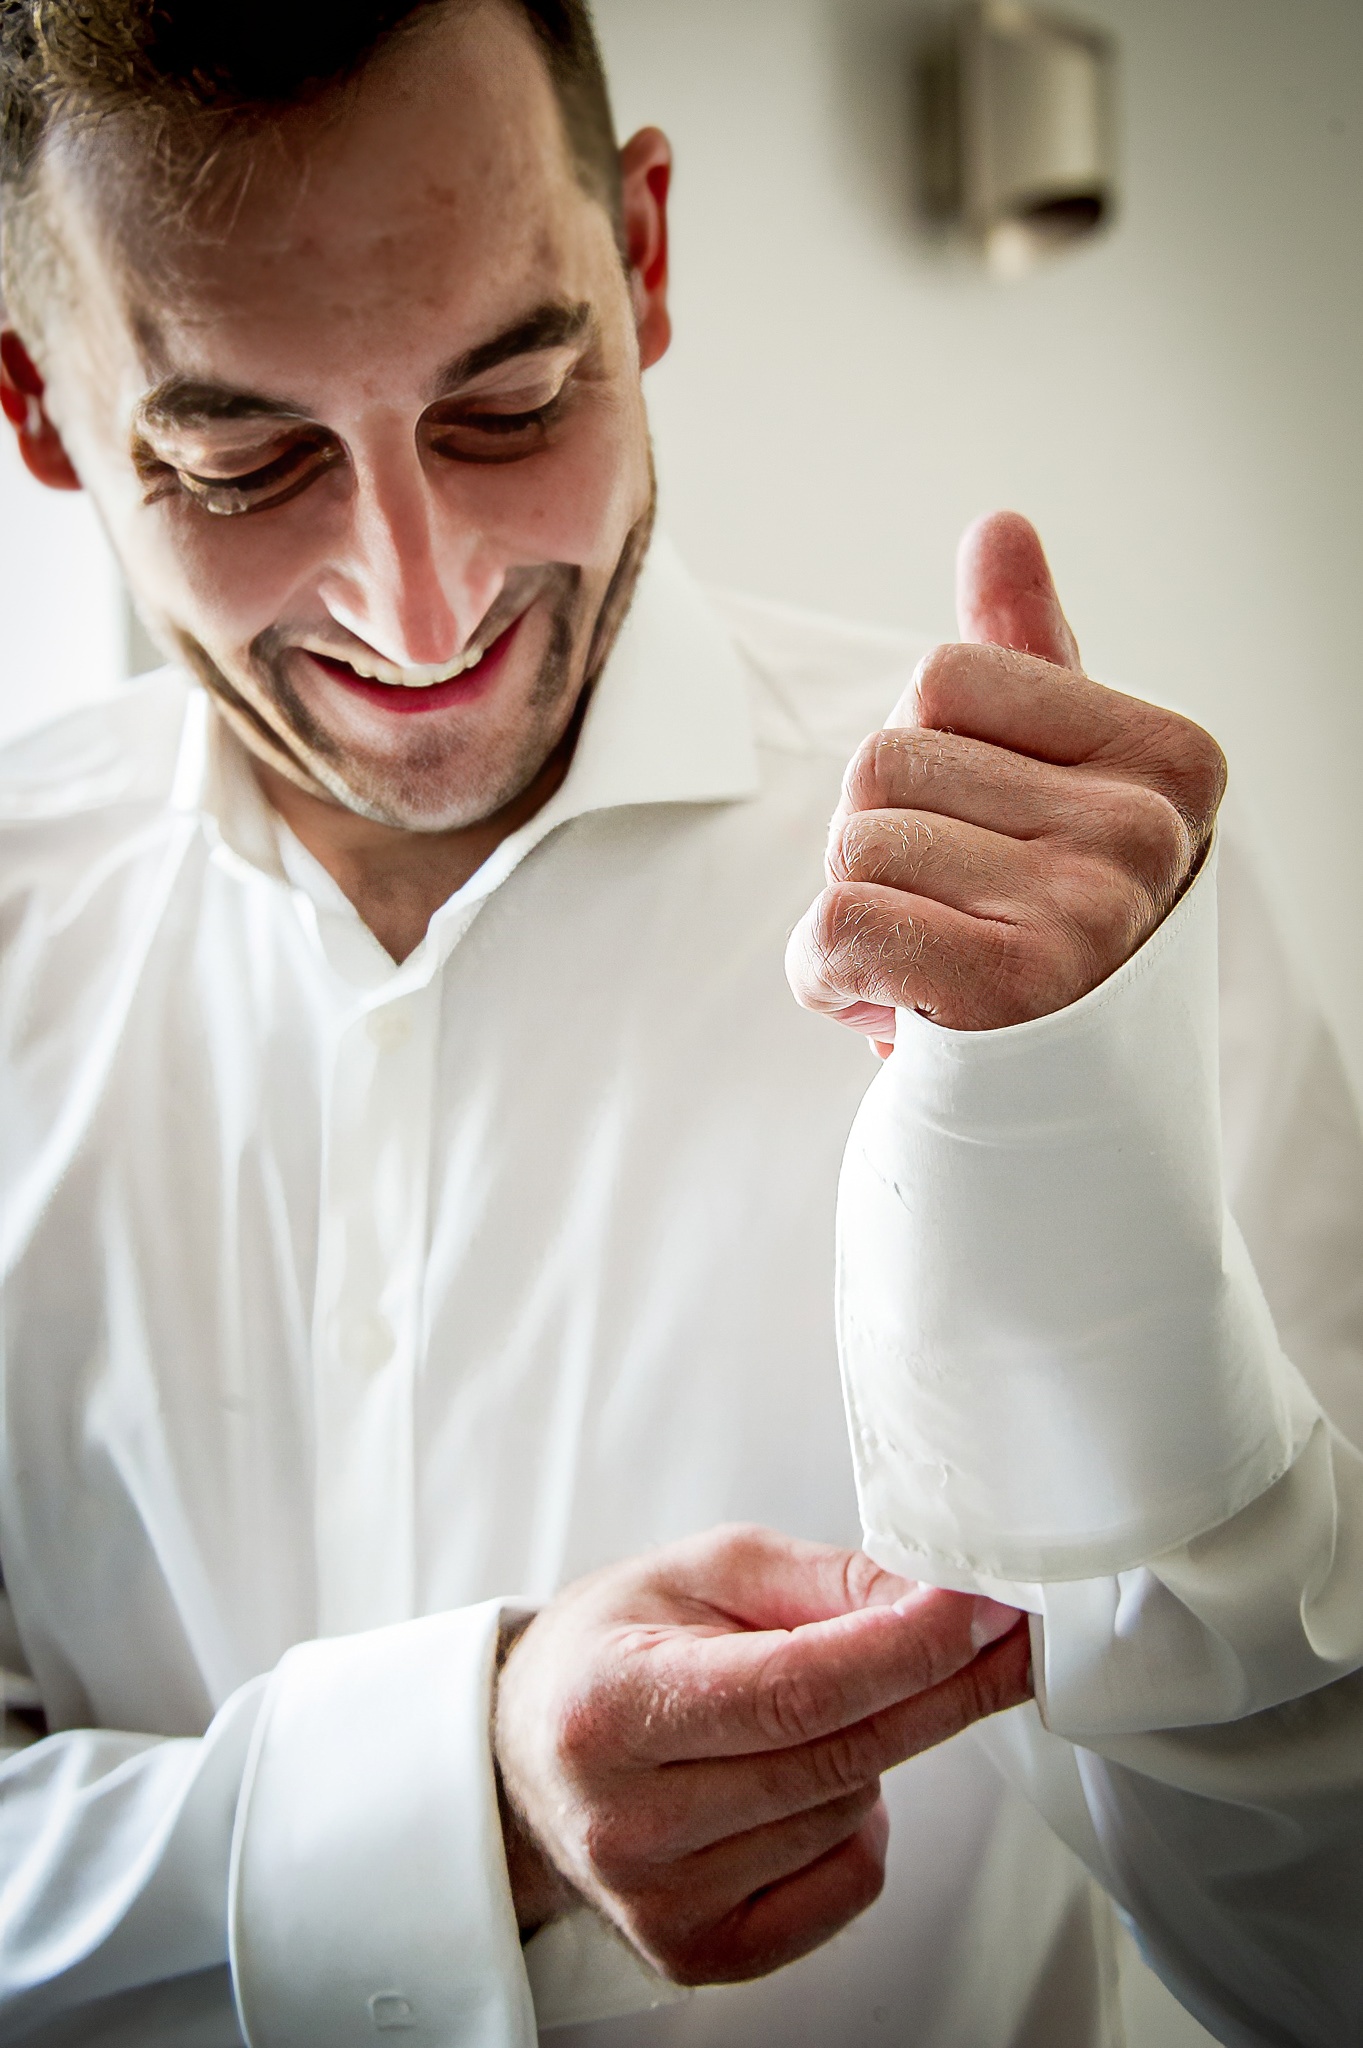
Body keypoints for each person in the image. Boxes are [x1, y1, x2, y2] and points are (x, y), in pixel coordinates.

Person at [0, 2, 1359, 2043]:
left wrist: (1101, 1254)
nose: (421, 599)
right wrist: (451, 1805)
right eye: (241, 457)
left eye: (512, 400)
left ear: (640, 262)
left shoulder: (1070, 904)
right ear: (36, 411)